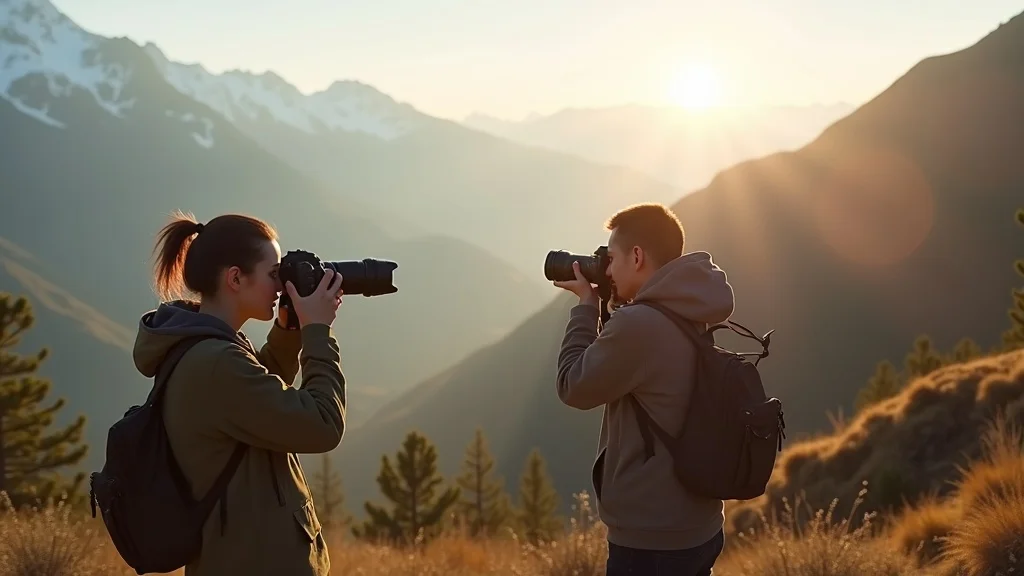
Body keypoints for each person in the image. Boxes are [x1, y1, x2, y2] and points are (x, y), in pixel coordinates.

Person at [132, 211, 346, 576]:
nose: (282, 286)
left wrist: (289, 328)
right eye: (274, 274)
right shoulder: (216, 361)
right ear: (235, 278)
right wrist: (317, 333)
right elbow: (322, 423)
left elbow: (254, 401)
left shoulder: (205, 348)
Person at [553, 202, 734, 575]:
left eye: (612, 258)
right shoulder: (689, 304)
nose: (606, 268)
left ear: (637, 256)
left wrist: (586, 308)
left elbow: (573, 386)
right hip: (699, 523)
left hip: (652, 539)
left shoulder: (640, 325)